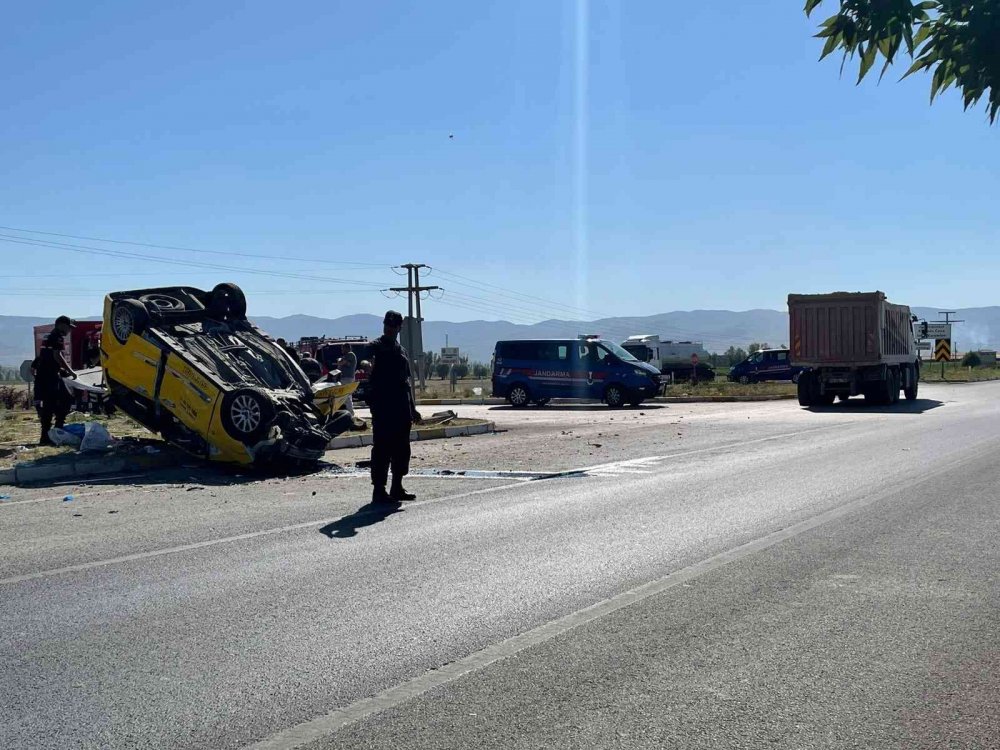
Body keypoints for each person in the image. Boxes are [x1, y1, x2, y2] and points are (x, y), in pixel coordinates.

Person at [368, 310, 421, 503]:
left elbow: (406, 383)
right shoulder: (376, 346)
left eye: (393, 326)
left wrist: (413, 408)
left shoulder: (402, 351)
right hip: (383, 407)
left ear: (399, 328)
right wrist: (366, 365)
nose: (389, 329)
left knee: (401, 449)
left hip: (401, 408)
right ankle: (379, 490)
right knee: (382, 448)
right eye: (387, 326)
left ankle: (397, 486)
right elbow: (365, 359)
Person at [32, 330, 77, 445]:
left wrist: (60, 371)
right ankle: (55, 433)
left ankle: (46, 436)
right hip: (51, 380)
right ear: (62, 325)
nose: (68, 330)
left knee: (50, 407)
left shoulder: (45, 344)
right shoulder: (57, 337)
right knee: (60, 404)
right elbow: (57, 356)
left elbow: (33, 369)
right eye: (68, 327)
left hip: (45, 380)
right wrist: (70, 371)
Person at [337, 343, 357, 415]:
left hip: (347, 378)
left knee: (346, 395)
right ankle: (348, 412)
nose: (342, 350)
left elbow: (341, 362)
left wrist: (340, 361)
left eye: (343, 348)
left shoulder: (350, 354)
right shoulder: (346, 356)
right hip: (345, 377)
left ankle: (350, 413)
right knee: (345, 396)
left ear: (347, 348)